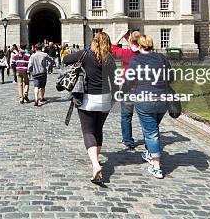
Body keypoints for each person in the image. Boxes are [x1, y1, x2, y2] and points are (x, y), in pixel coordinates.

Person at [63, 32, 116, 185]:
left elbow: (65, 60)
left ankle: (95, 164)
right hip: (105, 97)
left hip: (88, 98)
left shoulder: (85, 54)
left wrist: (75, 53)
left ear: (93, 42)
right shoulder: (110, 59)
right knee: (98, 129)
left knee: (88, 131)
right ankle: (96, 160)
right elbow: (115, 81)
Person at [128, 35, 173, 179]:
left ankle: (156, 166)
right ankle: (149, 152)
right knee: (152, 128)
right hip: (163, 99)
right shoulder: (161, 58)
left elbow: (130, 80)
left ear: (139, 46)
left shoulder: (135, 60)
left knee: (152, 132)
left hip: (145, 99)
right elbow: (171, 77)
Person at [112, 29, 141, 150]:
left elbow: (112, 48)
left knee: (126, 115)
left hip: (128, 87)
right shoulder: (145, 53)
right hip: (143, 87)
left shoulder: (125, 53)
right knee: (145, 116)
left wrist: (120, 35)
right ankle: (150, 138)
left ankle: (128, 140)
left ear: (130, 42)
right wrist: (130, 39)